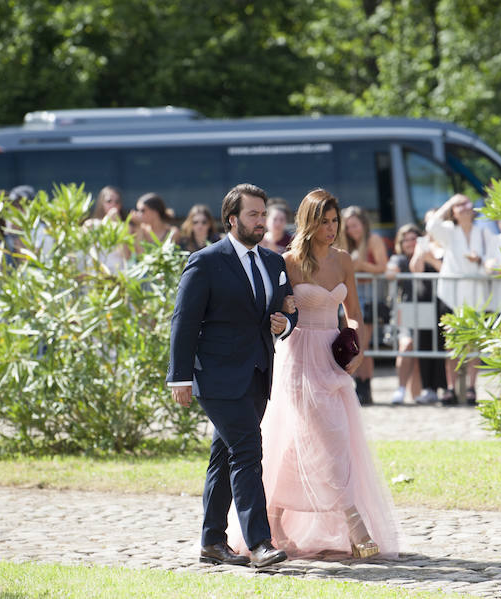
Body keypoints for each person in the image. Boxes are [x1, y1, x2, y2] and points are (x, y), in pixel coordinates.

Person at [240, 188, 399, 559]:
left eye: (335, 221)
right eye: (324, 221)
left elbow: (353, 311)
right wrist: (283, 312)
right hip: (299, 355)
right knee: (321, 439)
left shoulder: (343, 259)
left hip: (334, 355)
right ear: (309, 222)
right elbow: (274, 314)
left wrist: (358, 346)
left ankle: (273, 517)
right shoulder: (289, 261)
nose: (332, 228)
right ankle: (354, 522)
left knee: (316, 441)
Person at [168, 183, 297, 568]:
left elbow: (290, 311)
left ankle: (211, 541)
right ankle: (259, 543)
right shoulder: (205, 261)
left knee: (223, 456)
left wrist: (284, 324)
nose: (261, 221)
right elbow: (183, 321)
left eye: (263, 214)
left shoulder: (274, 263)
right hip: (216, 376)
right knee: (247, 449)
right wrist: (179, 376)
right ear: (232, 218)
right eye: (253, 214)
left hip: (258, 373)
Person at [425, 193, 492, 405]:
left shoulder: (483, 233)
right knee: (451, 345)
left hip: (476, 296)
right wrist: (451, 202)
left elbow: (492, 259)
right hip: (451, 296)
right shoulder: (449, 232)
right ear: (453, 212)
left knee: (473, 343)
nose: (463, 208)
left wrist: (479, 260)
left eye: (466, 204)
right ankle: (451, 388)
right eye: (459, 206)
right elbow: (431, 226)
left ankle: (472, 387)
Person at [338, 206, 388, 405]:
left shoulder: (373, 240)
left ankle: (365, 385)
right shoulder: (344, 244)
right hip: (349, 299)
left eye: (355, 225)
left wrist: (360, 265)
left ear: (363, 224)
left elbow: (382, 266)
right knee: (352, 344)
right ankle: (360, 385)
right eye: (348, 227)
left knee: (362, 345)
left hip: (369, 299)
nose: (352, 230)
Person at [409, 216, 446, 404]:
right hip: (424, 298)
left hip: (444, 299)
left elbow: (445, 270)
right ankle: (428, 388)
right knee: (424, 341)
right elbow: (415, 268)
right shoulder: (422, 243)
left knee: (442, 342)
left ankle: (444, 387)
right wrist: (420, 253)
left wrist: (430, 258)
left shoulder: (447, 243)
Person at [386, 224, 424, 404]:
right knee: (406, 345)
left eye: (413, 238)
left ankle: (416, 396)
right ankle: (400, 389)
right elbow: (390, 271)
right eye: (406, 239)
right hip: (405, 309)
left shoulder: (426, 257)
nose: (410, 243)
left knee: (417, 354)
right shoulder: (399, 259)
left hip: (426, 309)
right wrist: (392, 271)